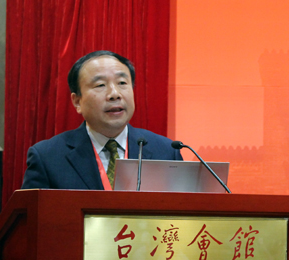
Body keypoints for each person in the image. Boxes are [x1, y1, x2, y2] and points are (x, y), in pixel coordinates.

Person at [21, 50, 182, 190]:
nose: (114, 94)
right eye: (100, 85)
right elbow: (33, 215)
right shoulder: (47, 157)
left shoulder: (166, 152)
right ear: (77, 101)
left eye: (122, 83)